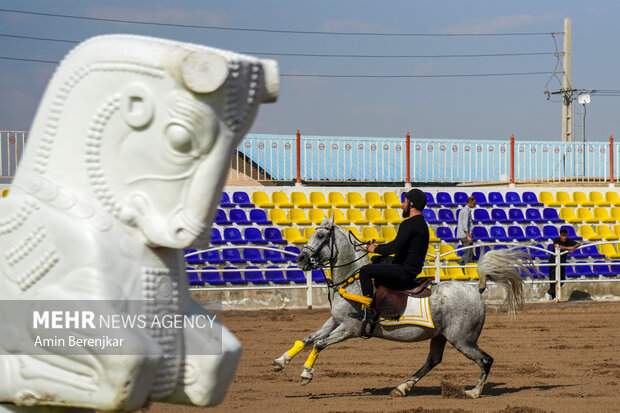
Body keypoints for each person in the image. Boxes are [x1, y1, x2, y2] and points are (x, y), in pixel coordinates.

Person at [351, 188, 430, 322]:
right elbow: (403, 250)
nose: (402, 205)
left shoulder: (410, 223)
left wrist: (374, 249)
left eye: (405, 201)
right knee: (378, 260)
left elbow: (395, 247)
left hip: (404, 271)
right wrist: (380, 255)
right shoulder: (422, 224)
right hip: (411, 270)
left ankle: (368, 311)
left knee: (365, 271)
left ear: (411, 204)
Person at [546, 228, 580, 299]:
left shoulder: (568, 241)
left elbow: (578, 243)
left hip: (562, 263)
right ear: (560, 235)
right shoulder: (557, 240)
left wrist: (573, 247)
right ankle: (554, 297)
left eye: (565, 236)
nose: (564, 237)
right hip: (553, 262)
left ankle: (549, 292)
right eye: (563, 236)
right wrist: (568, 248)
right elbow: (557, 247)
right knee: (553, 279)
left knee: (562, 279)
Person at [457, 195, 476, 266]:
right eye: (474, 203)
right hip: (464, 235)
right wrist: (468, 236)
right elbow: (465, 225)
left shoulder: (463, 210)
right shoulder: (466, 211)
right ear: (470, 202)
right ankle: (462, 264)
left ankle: (462, 264)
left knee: (468, 251)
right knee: (468, 252)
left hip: (463, 234)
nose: (474, 205)